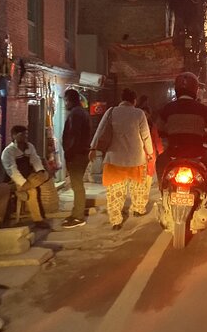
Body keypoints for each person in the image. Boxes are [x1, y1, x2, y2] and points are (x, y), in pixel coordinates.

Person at [89, 88, 153, 231]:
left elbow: (100, 130)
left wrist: (93, 148)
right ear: (134, 100)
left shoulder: (111, 111)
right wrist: (150, 152)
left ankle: (116, 220)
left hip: (114, 159)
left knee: (115, 192)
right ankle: (138, 209)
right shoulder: (139, 113)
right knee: (138, 187)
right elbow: (146, 135)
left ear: (122, 99)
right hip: (136, 159)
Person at [155, 72, 207, 200]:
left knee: (160, 162)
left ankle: (162, 191)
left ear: (176, 89)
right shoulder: (203, 109)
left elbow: (159, 128)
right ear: (195, 89)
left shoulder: (167, 108)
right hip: (197, 152)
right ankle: (206, 194)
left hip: (173, 151)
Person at [1, 125, 50, 228]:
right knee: (32, 191)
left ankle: (22, 190)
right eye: (22, 134)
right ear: (14, 135)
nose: (25, 136)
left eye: (26, 134)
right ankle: (38, 220)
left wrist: (40, 171)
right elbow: (12, 170)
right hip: (14, 181)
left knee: (44, 175)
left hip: (30, 178)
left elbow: (35, 159)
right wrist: (23, 183)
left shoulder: (30, 146)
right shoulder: (8, 151)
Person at [61, 88, 91, 229]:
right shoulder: (81, 112)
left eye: (66, 101)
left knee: (77, 186)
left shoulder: (76, 114)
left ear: (69, 100)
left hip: (77, 154)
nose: (65, 104)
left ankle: (78, 216)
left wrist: (69, 153)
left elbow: (73, 136)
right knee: (77, 185)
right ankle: (76, 213)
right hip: (81, 153)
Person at [137, 95, 163, 210]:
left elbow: (157, 140)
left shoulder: (151, 126)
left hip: (149, 157)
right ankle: (139, 204)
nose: (144, 116)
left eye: (146, 114)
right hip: (139, 156)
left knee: (146, 181)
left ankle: (141, 204)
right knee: (139, 182)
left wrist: (161, 152)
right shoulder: (136, 125)